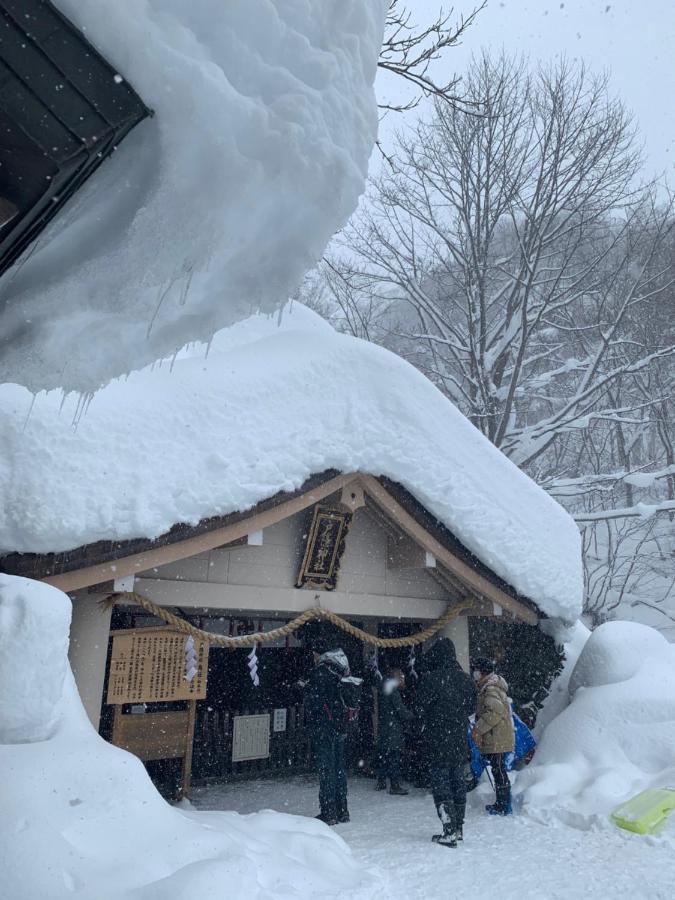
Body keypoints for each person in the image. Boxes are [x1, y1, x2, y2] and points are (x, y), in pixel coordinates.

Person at [416, 638, 476, 846]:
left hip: (437, 738)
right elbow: (471, 708)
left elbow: (419, 708)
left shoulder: (431, 679)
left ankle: (448, 829)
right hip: (459, 738)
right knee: (458, 781)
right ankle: (458, 828)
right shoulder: (465, 680)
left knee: (441, 782)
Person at [304, 647, 354, 825]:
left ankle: (329, 812)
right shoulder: (341, 671)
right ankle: (343, 810)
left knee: (327, 771)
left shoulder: (321, 673)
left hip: (324, 728)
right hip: (340, 727)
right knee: (339, 770)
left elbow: (316, 702)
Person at [471, 656, 515, 816]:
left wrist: (479, 728)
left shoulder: (490, 689)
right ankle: (502, 803)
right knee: (498, 770)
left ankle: (503, 805)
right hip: (499, 736)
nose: (473, 673)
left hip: (497, 738)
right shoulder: (491, 687)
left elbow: (495, 711)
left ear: (481, 672)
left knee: (499, 770)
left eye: (475, 670)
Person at [375, 668, 414, 795]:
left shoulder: (383, 687)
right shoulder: (394, 691)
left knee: (384, 754)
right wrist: (413, 715)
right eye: (402, 678)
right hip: (393, 728)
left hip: (384, 726)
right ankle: (395, 785)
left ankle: (381, 781)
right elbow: (400, 710)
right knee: (394, 756)